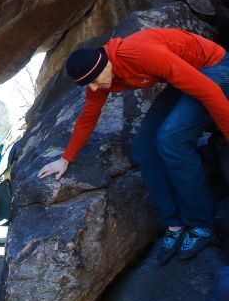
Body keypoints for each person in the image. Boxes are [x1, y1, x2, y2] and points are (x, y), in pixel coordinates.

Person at [38, 28, 229, 264]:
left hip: (214, 68)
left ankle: (201, 225)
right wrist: (66, 158)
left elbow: (209, 91)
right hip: (184, 75)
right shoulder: (100, 78)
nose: (95, 89)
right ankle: (174, 224)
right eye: (89, 85)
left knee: (171, 139)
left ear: (104, 65)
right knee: (143, 147)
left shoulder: (140, 54)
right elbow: (88, 118)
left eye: (95, 81)